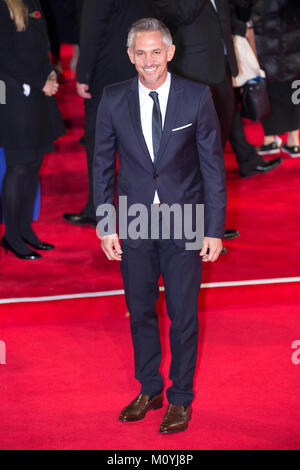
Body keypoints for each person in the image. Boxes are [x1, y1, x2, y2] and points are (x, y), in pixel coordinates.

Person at [93, 18, 226, 433]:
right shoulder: (113, 99)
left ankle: (180, 398)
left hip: (184, 218)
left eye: (156, 51)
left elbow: (212, 168)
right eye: (140, 53)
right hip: (133, 220)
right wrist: (105, 223)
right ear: (129, 56)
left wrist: (214, 229)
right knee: (139, 310)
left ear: (170, 52)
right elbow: (100, 165)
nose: (148, 60)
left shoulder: (197, 96)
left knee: (184, 314)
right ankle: (149, 387)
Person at [154, 1, 283, 180]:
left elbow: (228, 12)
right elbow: (179, 15)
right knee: (196, 128)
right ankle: (192, 179)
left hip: (222, 60)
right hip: (192, 65)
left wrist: (237, 29)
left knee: (226, 117)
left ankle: (221, 171)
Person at [63, 0, 158, 228]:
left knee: (99, 145)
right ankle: (140, 209)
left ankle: (99, 211)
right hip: (141, 67)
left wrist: (83, 74)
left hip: (107, 72)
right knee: (139, 142)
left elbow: (92, 28)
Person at [0, 0, 64, 260]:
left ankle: (25, 229)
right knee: (19, 166)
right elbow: (3, 55)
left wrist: (50, 73)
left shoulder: (33, 1)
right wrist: (40, 81)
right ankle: (11, 236)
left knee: (35, 161)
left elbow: (43, 45)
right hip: (13, 95)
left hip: (37, 93)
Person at [251, 0, 300, 158]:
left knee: (270, 94)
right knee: (295, 94)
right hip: (294, 47)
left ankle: (269, 140)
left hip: (269, 48)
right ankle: (294, 142)